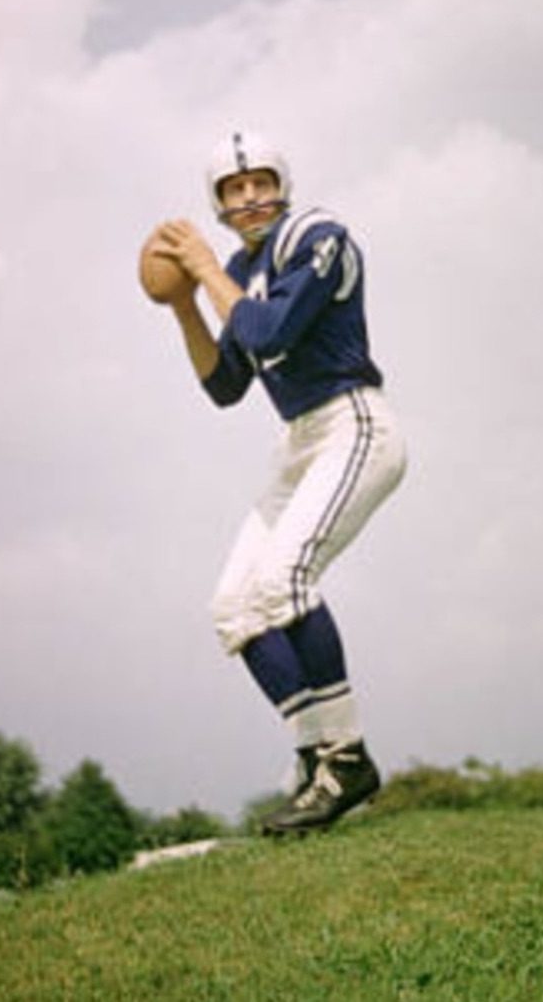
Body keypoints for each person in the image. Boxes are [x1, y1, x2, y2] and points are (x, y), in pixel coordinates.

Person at [154, 130, 407, 834]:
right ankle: (312, 762)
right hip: (298, 441)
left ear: (282, 184)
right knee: (237, 606)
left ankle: (346, 756)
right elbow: (227, 383)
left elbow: (267, 332)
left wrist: (203, 269)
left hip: (352, 422)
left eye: (260, 181)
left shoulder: (316, 233)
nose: (250, 197)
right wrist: (185, 306)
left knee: (285, 581)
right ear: (221, 203)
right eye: (234, 189)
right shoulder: (236, 267)